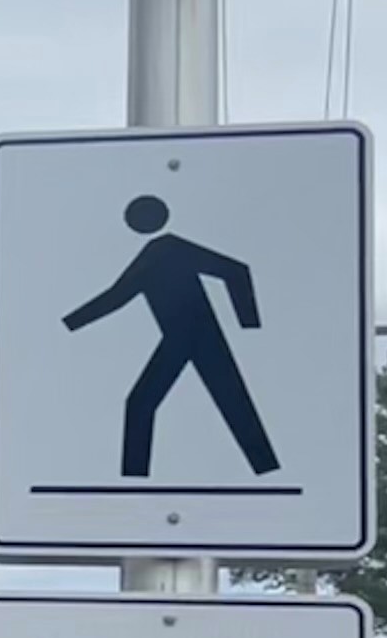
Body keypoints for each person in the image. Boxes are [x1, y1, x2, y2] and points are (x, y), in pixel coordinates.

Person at [62, 194, 279, 478]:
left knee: (222, 401)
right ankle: (134, 479)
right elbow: (117, 296)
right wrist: (70, 325)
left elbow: (235, 270)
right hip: (181, 337)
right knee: (152, 402)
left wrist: (249, 324)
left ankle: (134, 478)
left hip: (199, 335)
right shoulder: (153, 253)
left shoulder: (169, 247)